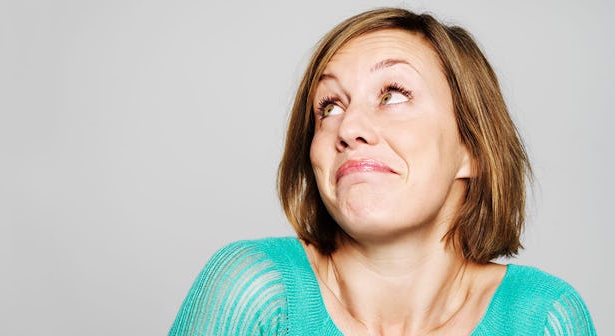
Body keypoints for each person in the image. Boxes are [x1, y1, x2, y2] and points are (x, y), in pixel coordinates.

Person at [169, 7, 595, 335]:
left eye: (393, 95)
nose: (348, 128)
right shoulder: (255, 290)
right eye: (329, 106)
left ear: (472, 147)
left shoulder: (542, 317)